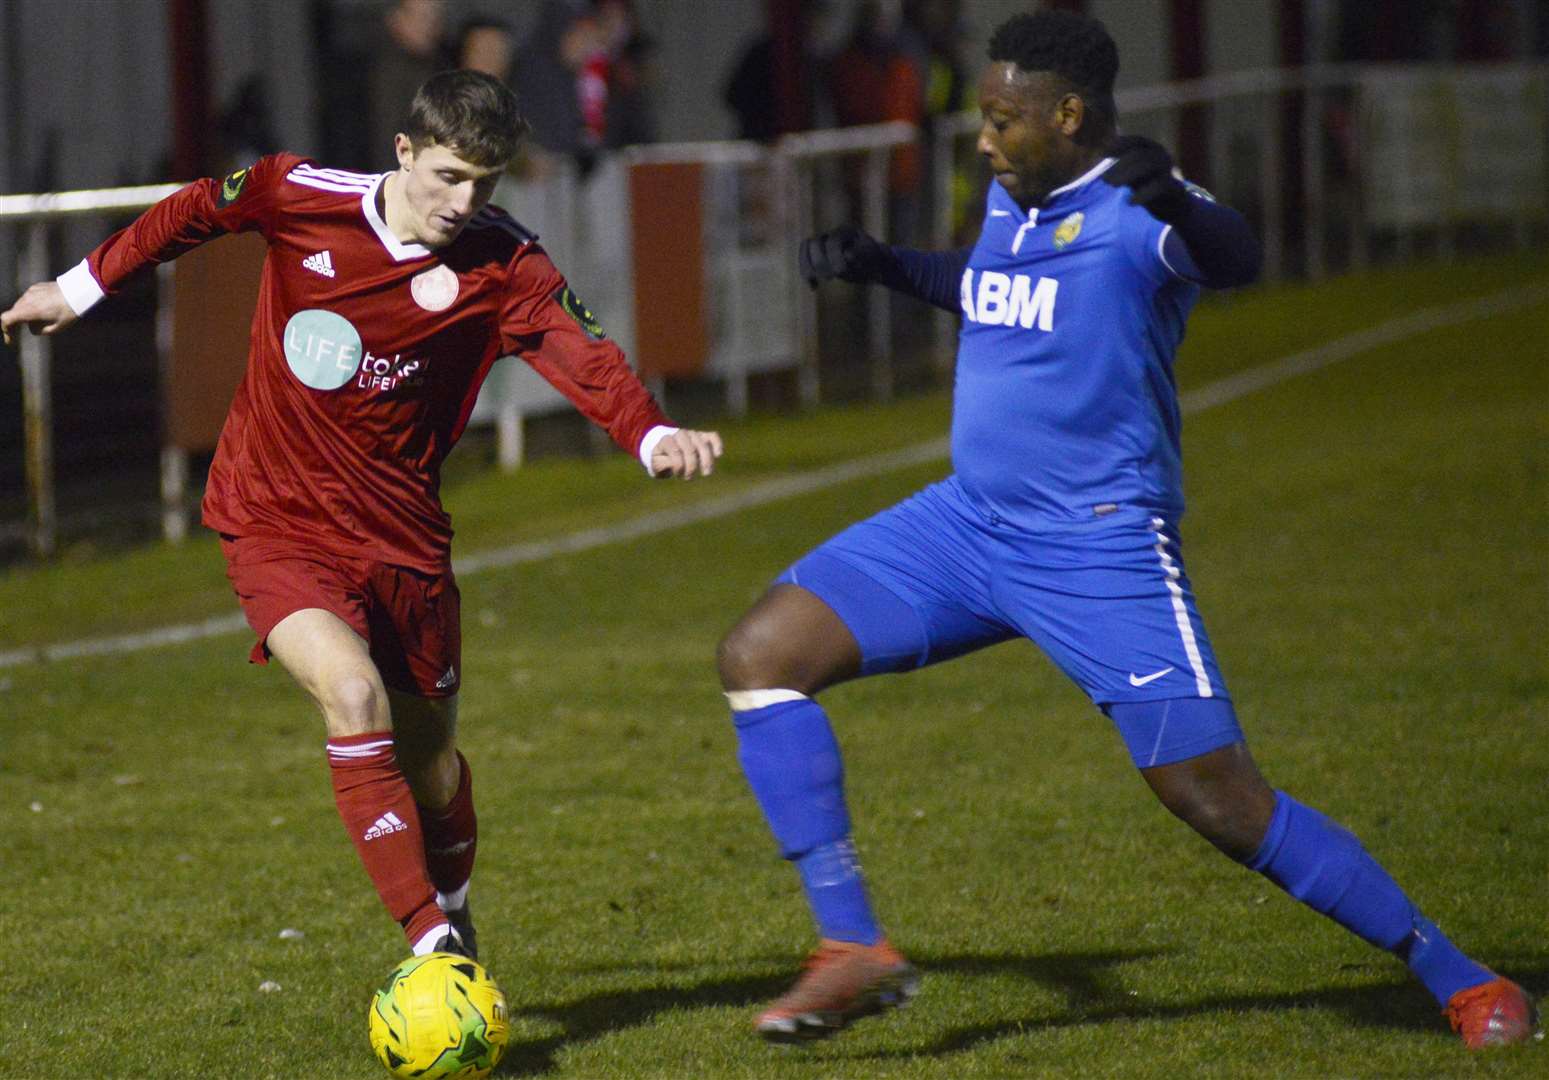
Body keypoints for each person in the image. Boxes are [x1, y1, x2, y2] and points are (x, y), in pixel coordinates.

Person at [715, 9, 1535, 1050]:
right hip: (966, 527)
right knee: (760, 655)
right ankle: (851, 949)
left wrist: (1174, 203)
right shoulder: (1016, 193)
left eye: (1002, 119)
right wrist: (882, 263)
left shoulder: (1140, 206)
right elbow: (991, 291)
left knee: (1217, 799)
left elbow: (1230, 258)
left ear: (1068, 115)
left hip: (1095, 547)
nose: (981, 137)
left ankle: (1454, 973)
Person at [3, 70, 723, 963]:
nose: (464, 203)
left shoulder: (504, 262)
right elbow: (191, 210)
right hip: (275, 519)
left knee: (431, 766)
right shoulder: (298, 195)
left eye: (484, 183)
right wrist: (77, 288)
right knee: (352, 698)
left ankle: (453, 904)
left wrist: (649, 434)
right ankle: (433, 953)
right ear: (405, 152)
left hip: (403, 542)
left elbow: (583, 353)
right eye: (449, 177)